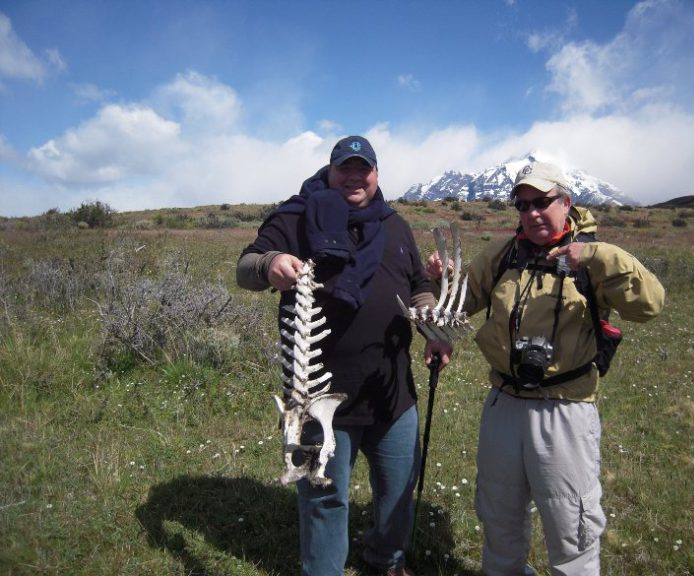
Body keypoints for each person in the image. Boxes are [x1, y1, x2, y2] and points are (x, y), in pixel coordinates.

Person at [425, 161, 665, 576]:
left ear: (566, 202)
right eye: (522, 205)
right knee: (498, 518)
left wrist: (592, 255)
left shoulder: (593, 256)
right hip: (504, 404)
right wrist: (442, 283)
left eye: (542, 202)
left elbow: (650, 304)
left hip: (564, 409)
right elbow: (460, 304)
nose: (532, 212)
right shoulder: (504, 254)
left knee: (571, 528)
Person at [237, 135, 451, 576]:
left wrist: (430, 323)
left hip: (392, 389)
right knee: (324, 495)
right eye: (345, 168)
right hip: (318, 390)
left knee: (397, 487)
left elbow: (418, 285)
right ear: (330, 171)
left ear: (376, 174)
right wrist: (270, 262)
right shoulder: (298, 216)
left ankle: (387, 561)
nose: (354, 177)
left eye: (363, 168)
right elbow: (246, 269)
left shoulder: (394, 224)